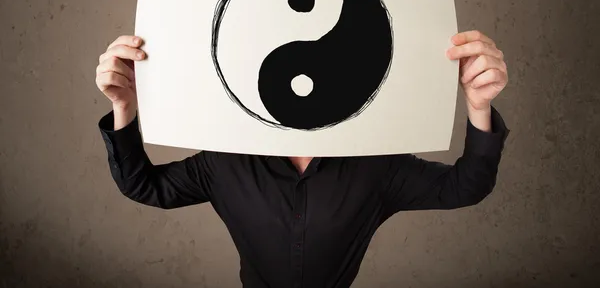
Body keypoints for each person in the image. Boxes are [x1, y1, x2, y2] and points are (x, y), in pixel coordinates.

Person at [95, 30, 510, 288]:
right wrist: (125, 105)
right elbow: (143, 185)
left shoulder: (375, 163)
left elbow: (465, 186)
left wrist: (478, 106)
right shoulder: (226, 162)